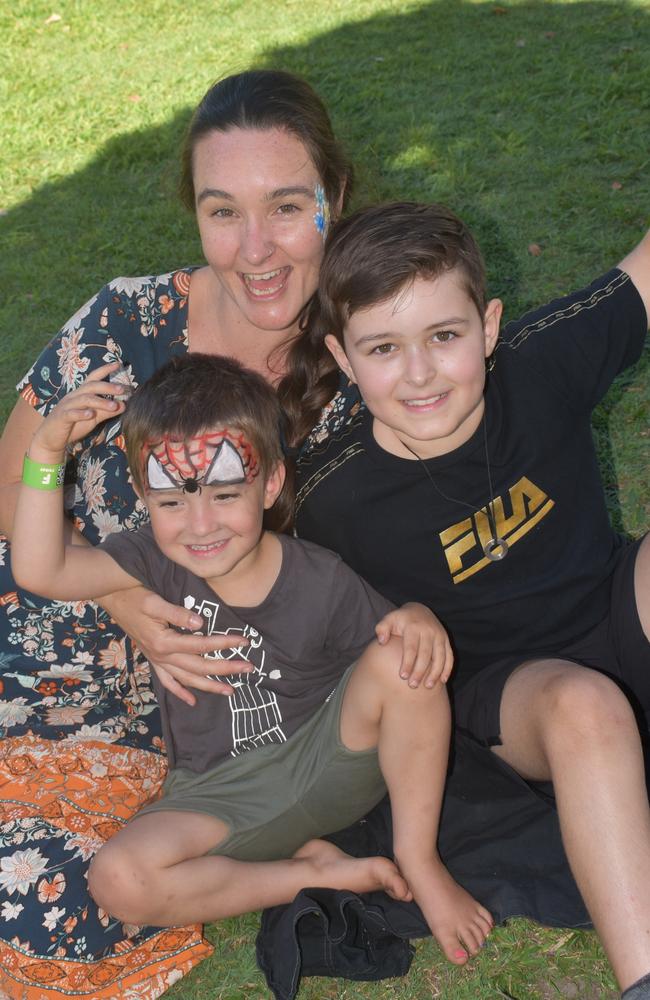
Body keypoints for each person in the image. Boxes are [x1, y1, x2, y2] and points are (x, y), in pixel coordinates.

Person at [0, 68, 354, 998]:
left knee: (40, 895)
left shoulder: (367, 364)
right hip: (37, 622)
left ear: (336, 198)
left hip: (163, 719)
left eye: (286, 206)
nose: (256, 248)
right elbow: (14, 482)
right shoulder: (126, 323)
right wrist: (123, 594)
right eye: (221, 211)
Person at [11, 352, 494, 964]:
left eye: (225, 493)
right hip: (219, 795)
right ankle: (315, 871)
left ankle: (418, 860)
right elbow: (39, 567)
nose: (199, 524)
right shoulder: (150, 562)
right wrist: (46, 454)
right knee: (119, 879)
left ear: (268, 483)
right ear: (142, 495)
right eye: (172, 503)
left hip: (330, 762)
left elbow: (398, 665)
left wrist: (417, 618)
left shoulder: (320, 579)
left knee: (405, 657)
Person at [279, 201, 650, 998]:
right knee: (586, 707)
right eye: (383, 348)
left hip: (613, 606)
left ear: (487, 326)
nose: (419, 373)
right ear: (344, 358)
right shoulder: (330, 502)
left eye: (444, 337)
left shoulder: (541, 360)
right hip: (508, 698)